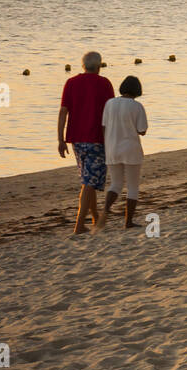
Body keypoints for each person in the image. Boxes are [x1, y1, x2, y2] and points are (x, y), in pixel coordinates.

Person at [57, 51, 114, 234]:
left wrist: (61, 139)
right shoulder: (104, 83)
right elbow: (110, 113)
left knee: (87, 179)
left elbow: (63, 112)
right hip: (97, 138)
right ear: (99, 66)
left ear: (83, 66)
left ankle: (95, 217)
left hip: (76, 139)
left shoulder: (71, 83)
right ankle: (79, 224)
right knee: (89, 182)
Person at [98, 76, 148, 230]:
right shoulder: (137, 106)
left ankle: (105, 210)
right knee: (132, 186)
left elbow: (103, 126)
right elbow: (142, 130)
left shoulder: (110, 103)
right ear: (137, 91)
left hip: (112, 148)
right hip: (131, 149)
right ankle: (128, 222)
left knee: (116, 184)